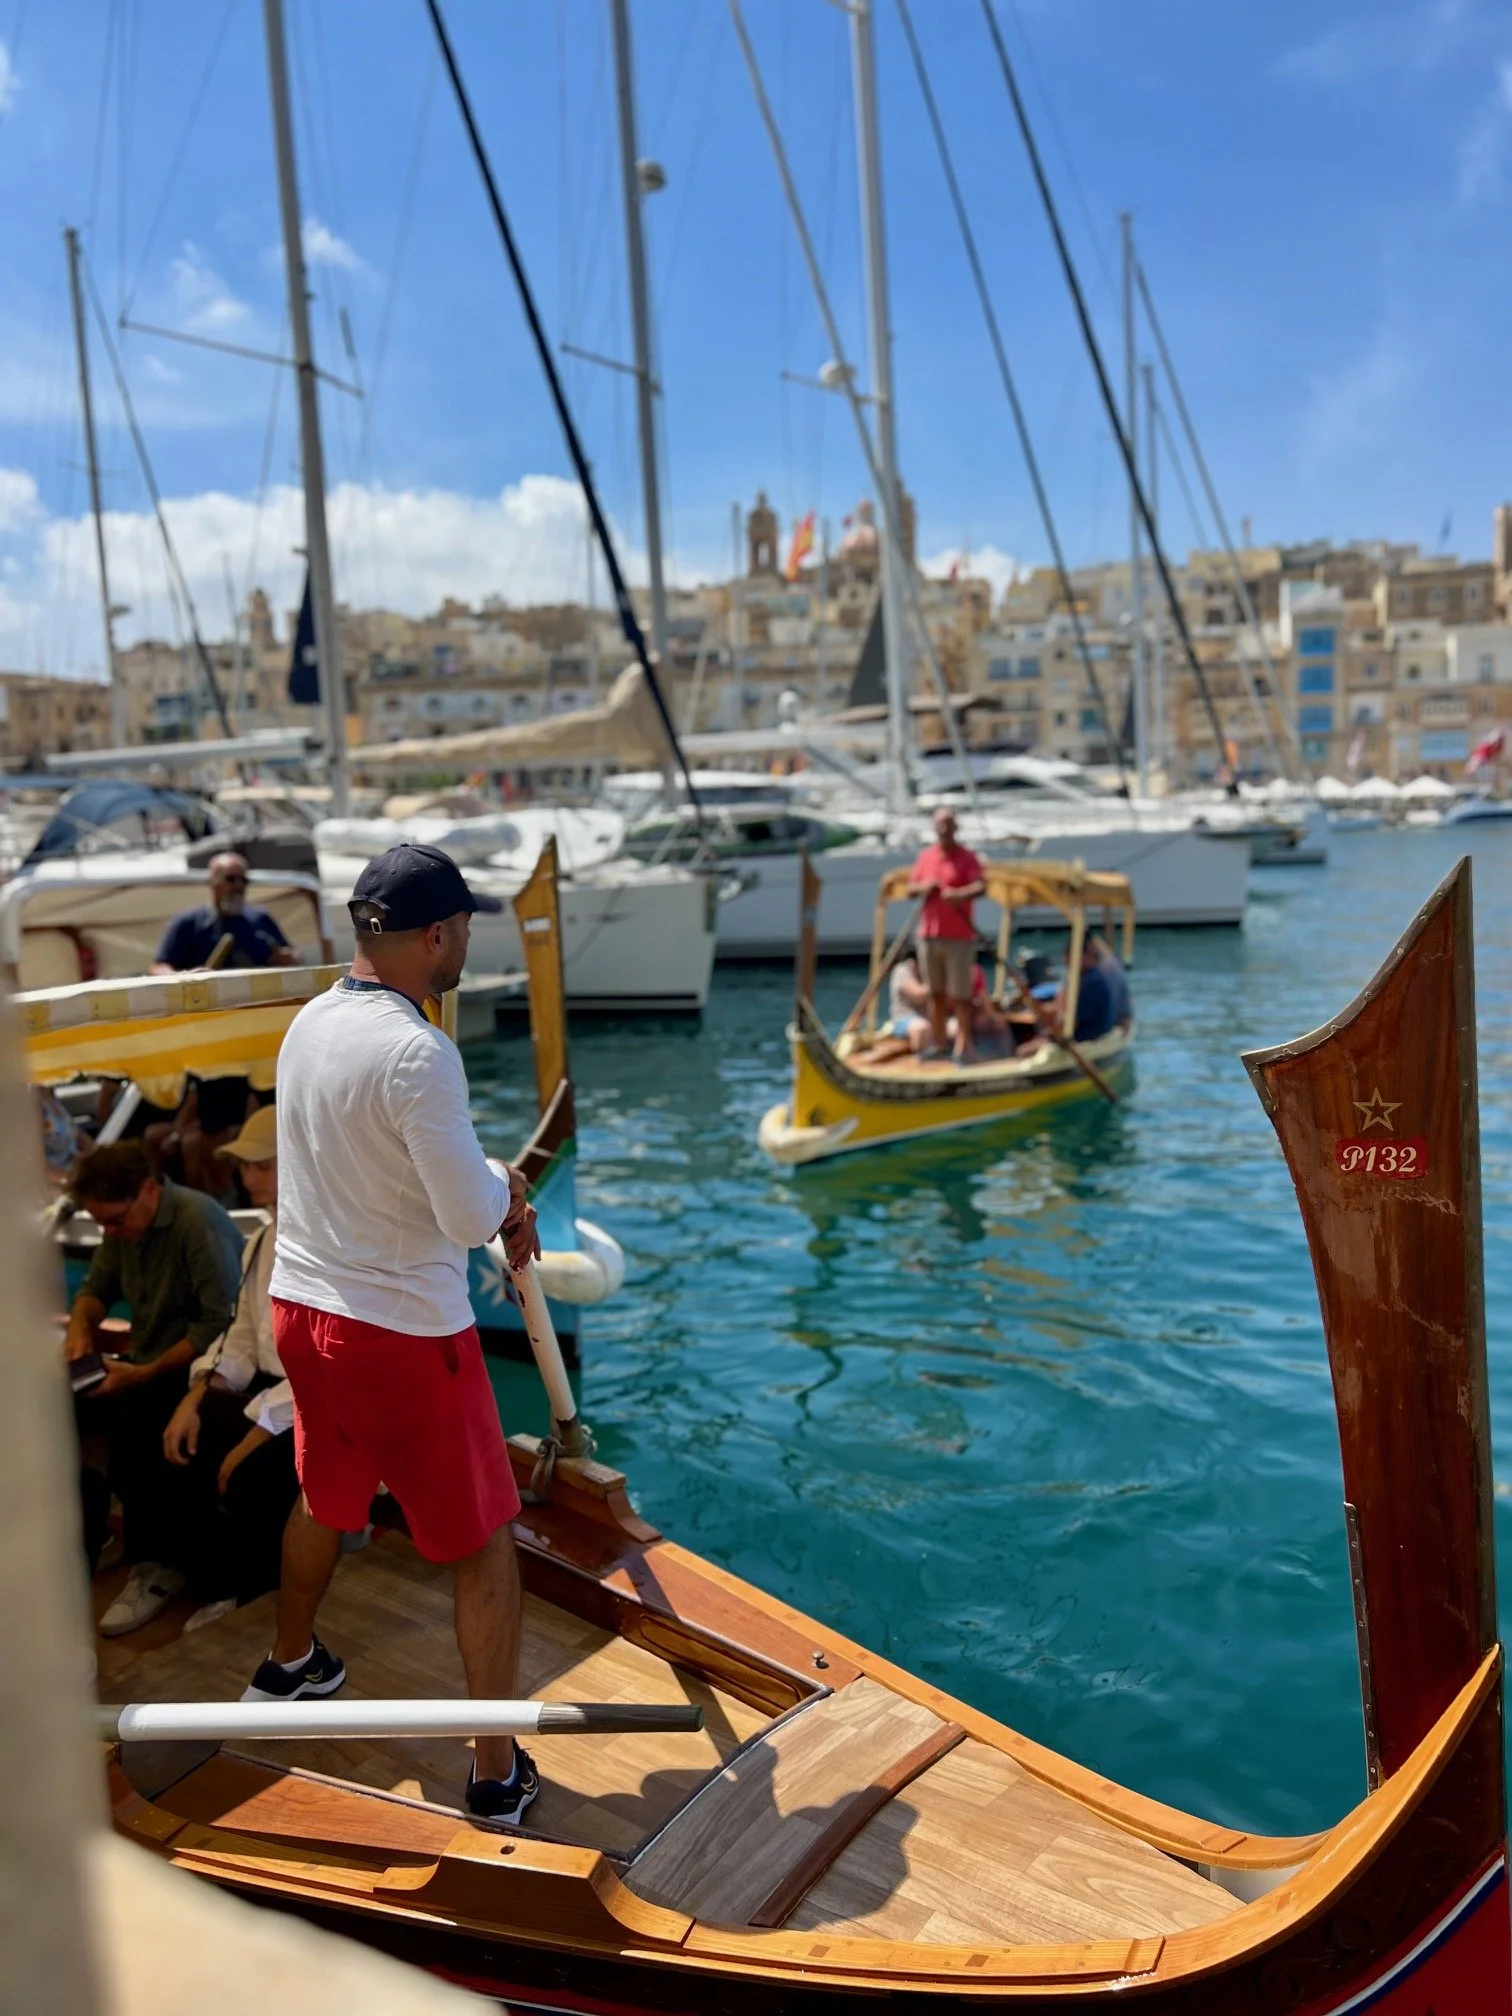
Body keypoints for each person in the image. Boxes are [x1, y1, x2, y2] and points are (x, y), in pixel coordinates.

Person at [252, 842, 542, 1826]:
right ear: (436, 936)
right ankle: (497, 1773)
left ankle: (291, 1663)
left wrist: (482, 1172)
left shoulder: (310, 1025)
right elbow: (467, 1218)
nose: (467, 944)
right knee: (485, 1542)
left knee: (325, 1496)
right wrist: (507, 1182)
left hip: (302, 1311)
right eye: (464, 929)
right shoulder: (419, 1051)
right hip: (402, 1334)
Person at [65, 1141, 243, 1635]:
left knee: (136, 1430)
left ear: (148, 1189)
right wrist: (81, 1326)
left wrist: (141, 1374)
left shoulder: (196, 1222)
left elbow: (220, 1325)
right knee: (62, 1403)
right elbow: (96, 1290)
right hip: (149, 1363)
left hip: (205, 1373)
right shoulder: (124, 1224)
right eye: (102, 1225)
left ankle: (160, 1564)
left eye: (115, 1222)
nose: (110, 1233)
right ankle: (94, 1531)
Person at [160, 1106, 301, 1630]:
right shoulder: (261, 1242)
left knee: (253, 1471)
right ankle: (210, 1579)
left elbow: (325, 1371)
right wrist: (197, 1395)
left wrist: (253, 1434)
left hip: (314, 1404)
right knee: (183, 1441)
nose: (247, 1177)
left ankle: (257, 1594)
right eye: (246, 1167)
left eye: (261, 1166)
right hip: (274, 1389)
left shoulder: (323, 1247)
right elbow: (241, 1336)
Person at [906, 807, 986, 1061]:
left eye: (948, 826)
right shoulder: (926, 857)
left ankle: (964, 1045)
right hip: (930, 935)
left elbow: (981, 886)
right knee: (935, 993)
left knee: (961, 995)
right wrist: (923, 888)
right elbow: (910, 889)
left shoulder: (967, 858)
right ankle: (939, 1043)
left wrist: (959, 895)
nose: (943, 831)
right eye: (940, 826)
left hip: (959, 937)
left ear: (955, 828)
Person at [152, 852, 297, 975]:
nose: (238, 886)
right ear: (213, 883)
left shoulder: (261, 918)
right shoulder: (188, 923)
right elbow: (159, 967)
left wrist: (287, 958)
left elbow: (292, 955)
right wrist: (184, 977)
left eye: (243, 880)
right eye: (231, 879)